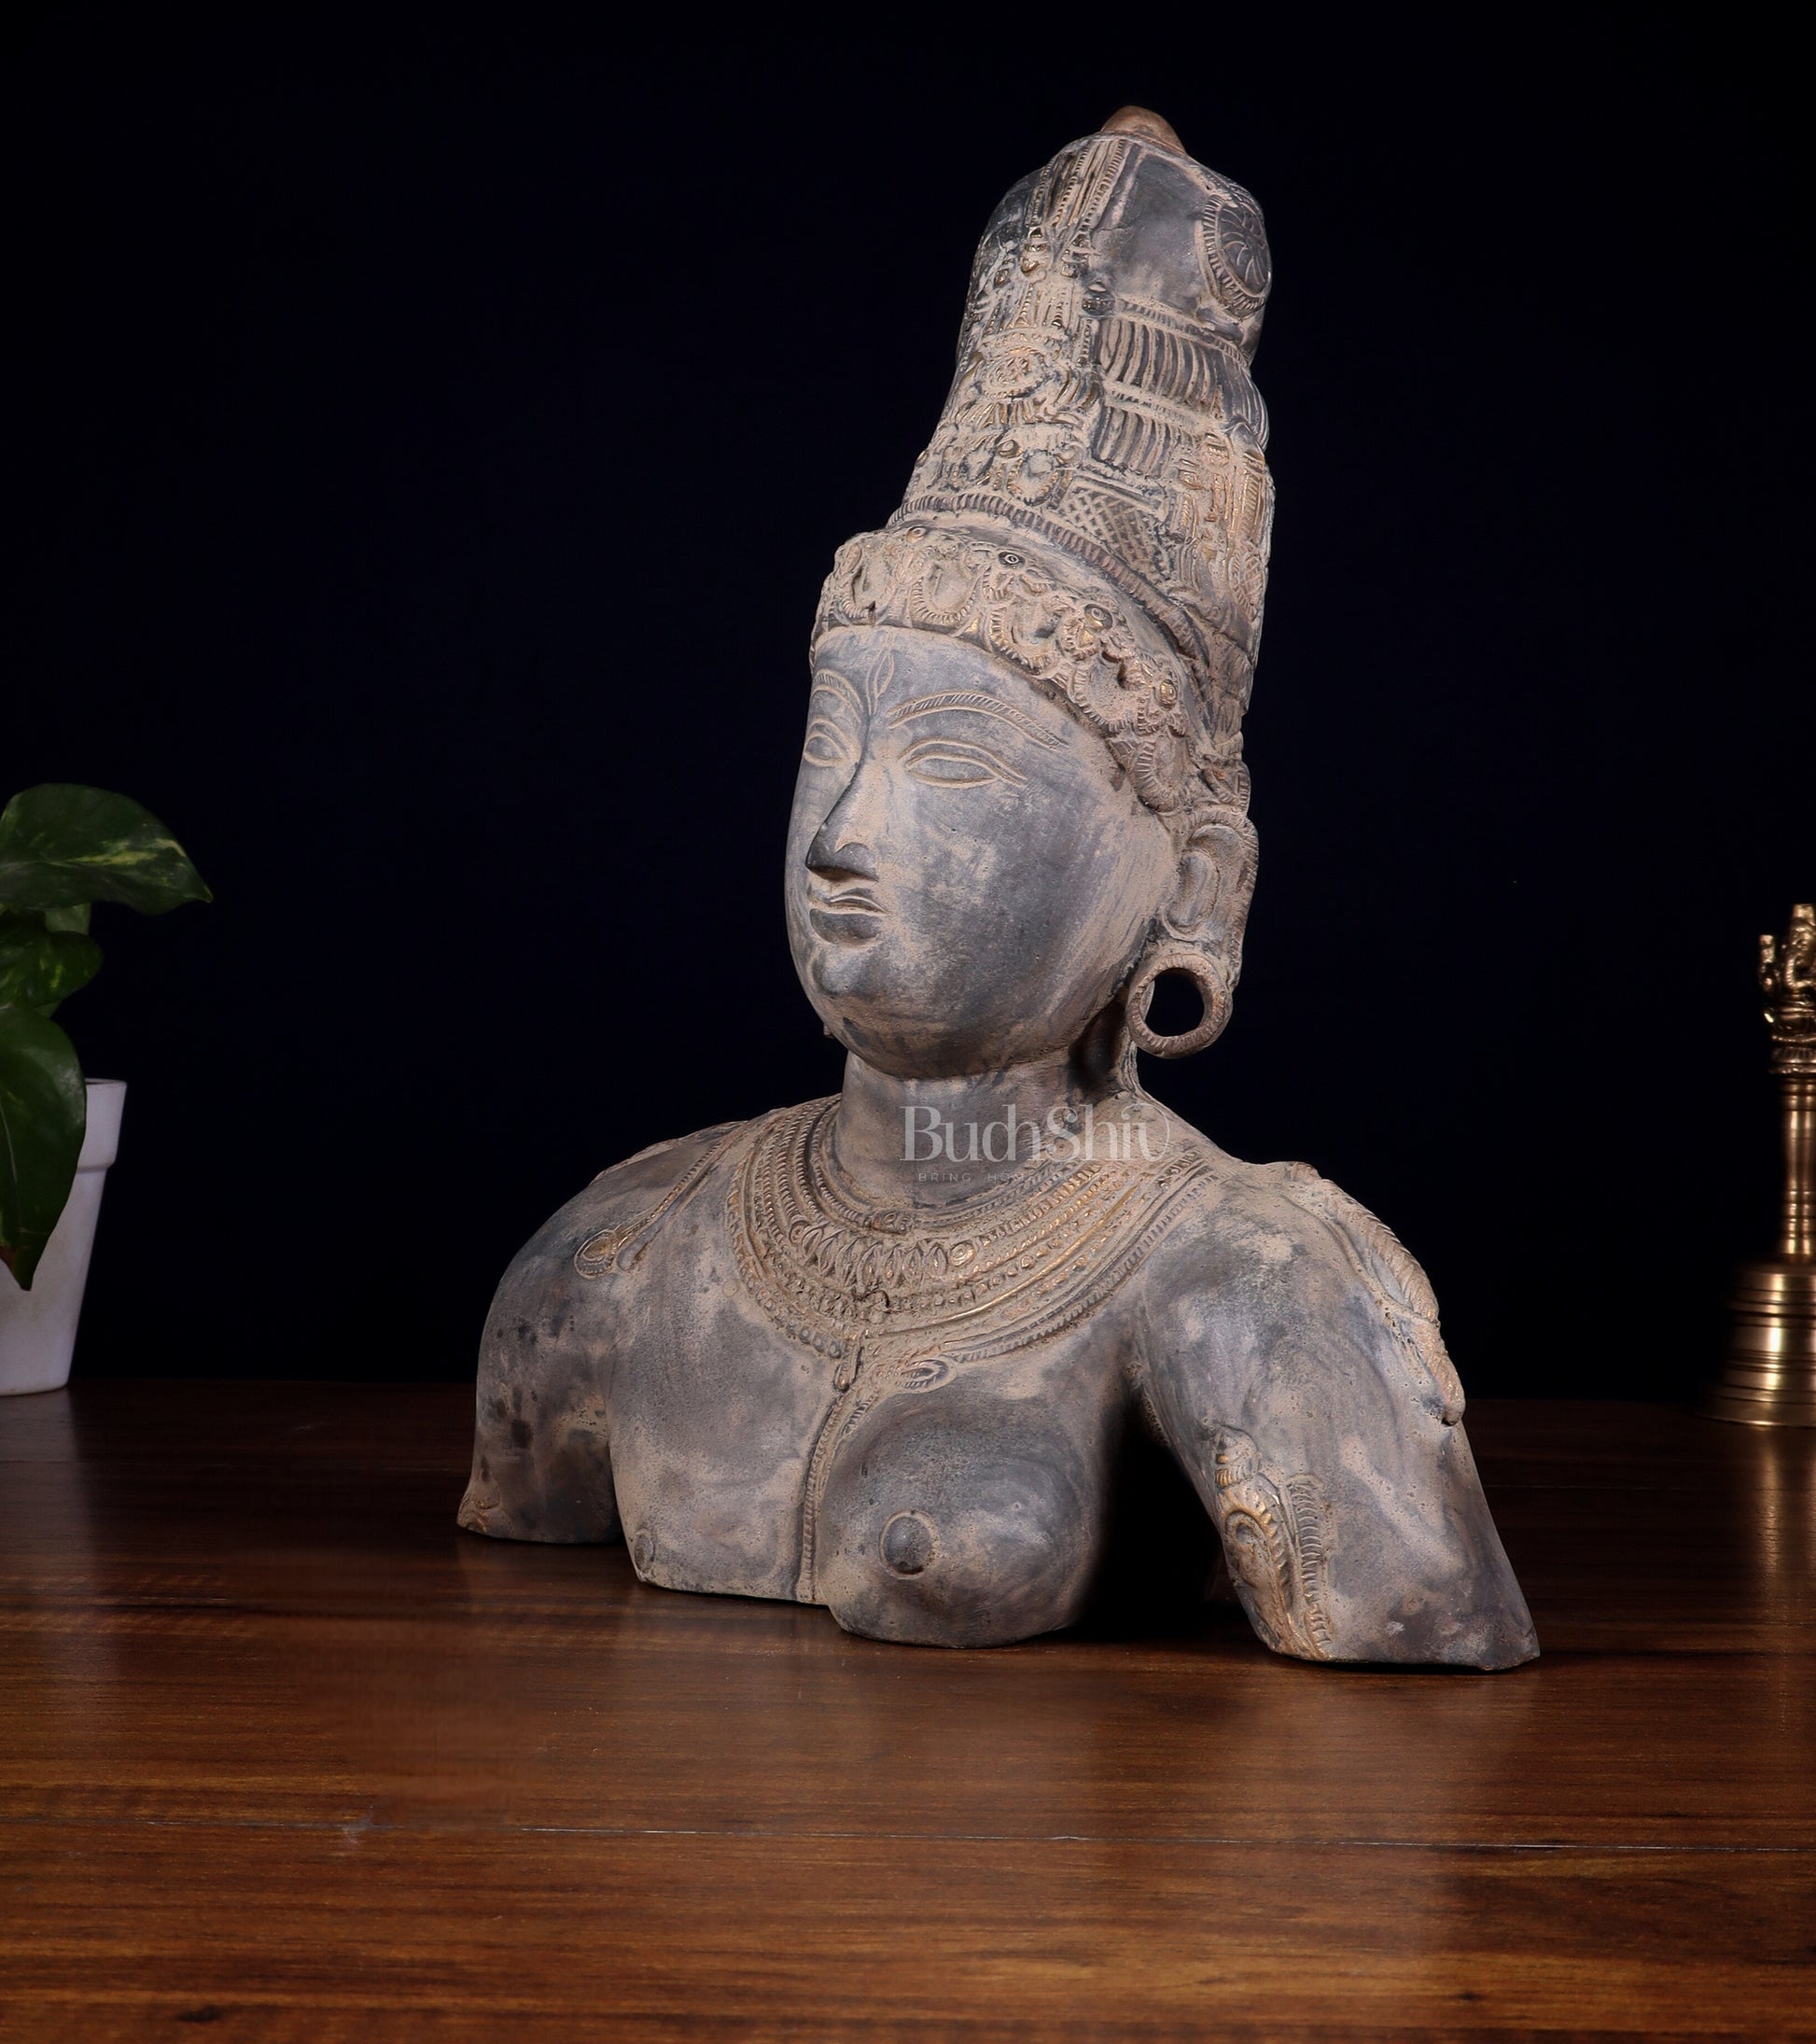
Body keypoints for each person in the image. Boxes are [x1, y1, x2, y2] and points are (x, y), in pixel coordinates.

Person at [458, 109, 1538, 1667]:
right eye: (828, 742)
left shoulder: (1240, 1284)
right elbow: (500, 1632)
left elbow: (1414, 1635)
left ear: (1194, 885)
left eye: (953, 764)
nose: (844, 829)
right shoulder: (617, 1255)